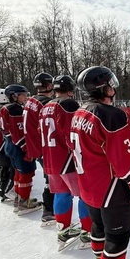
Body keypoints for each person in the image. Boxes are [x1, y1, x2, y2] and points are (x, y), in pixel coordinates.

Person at [71, 66, 130, 259]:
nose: (114, 87)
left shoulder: (79, 112)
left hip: (89, 186)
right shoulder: (113, 115)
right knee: (119, 234)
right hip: (110, 188)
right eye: (110, 83)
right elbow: (123, 159)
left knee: (99, 227)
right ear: (103, 87)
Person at [40, 75, 92, 248]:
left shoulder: (46, 106)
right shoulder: (68, 104)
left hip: (50, 158)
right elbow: (73, 133)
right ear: (70, 90)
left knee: (61, 194)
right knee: (85, 194)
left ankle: (63, 231)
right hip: (67, 159)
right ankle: (88, 233)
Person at [0, 84, 41, 215]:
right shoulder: (14, 109)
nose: (26, 97)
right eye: (23, 94)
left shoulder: (5, 108)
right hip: (17, 146)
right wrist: (26, 149)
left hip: (9, 145)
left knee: (18, 173)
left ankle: (19, 199)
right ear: (14, 96)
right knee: (26, 174)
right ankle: (23, 202)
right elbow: (18, 132)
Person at [23, 73, 56, 224]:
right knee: (51, 179)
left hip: (34, 146)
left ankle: (51, 208)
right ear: (49, 86)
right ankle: (49, 211)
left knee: (51, 177)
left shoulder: (31, 101)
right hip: (44, 147)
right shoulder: (45, 103)